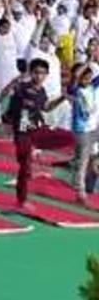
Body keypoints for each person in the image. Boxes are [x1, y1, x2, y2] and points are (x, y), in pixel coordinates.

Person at [1, 57, 71, 212]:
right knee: (25, 166)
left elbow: (46, 107)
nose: (39, 76)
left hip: (36, 130)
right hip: (22, 131)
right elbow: (5, 97)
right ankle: (22, 199)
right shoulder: (21, 88)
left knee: (65, 138)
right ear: (31, 73)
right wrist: (12, 84)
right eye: (36, 72)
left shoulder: (42, 91)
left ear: (47, 75)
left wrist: (62, 98)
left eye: (42, 73)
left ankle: (35, 154)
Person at [69, 64, 99, 204]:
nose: (87, 81)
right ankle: (80, 193)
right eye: (84, 78)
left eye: (89, 78)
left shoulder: (91, 87)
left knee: (87, 159)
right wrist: (88, 61)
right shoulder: (75, 90)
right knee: (83, 162)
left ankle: (82, 184)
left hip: (92, 128)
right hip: (81, 130)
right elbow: (75, 76)